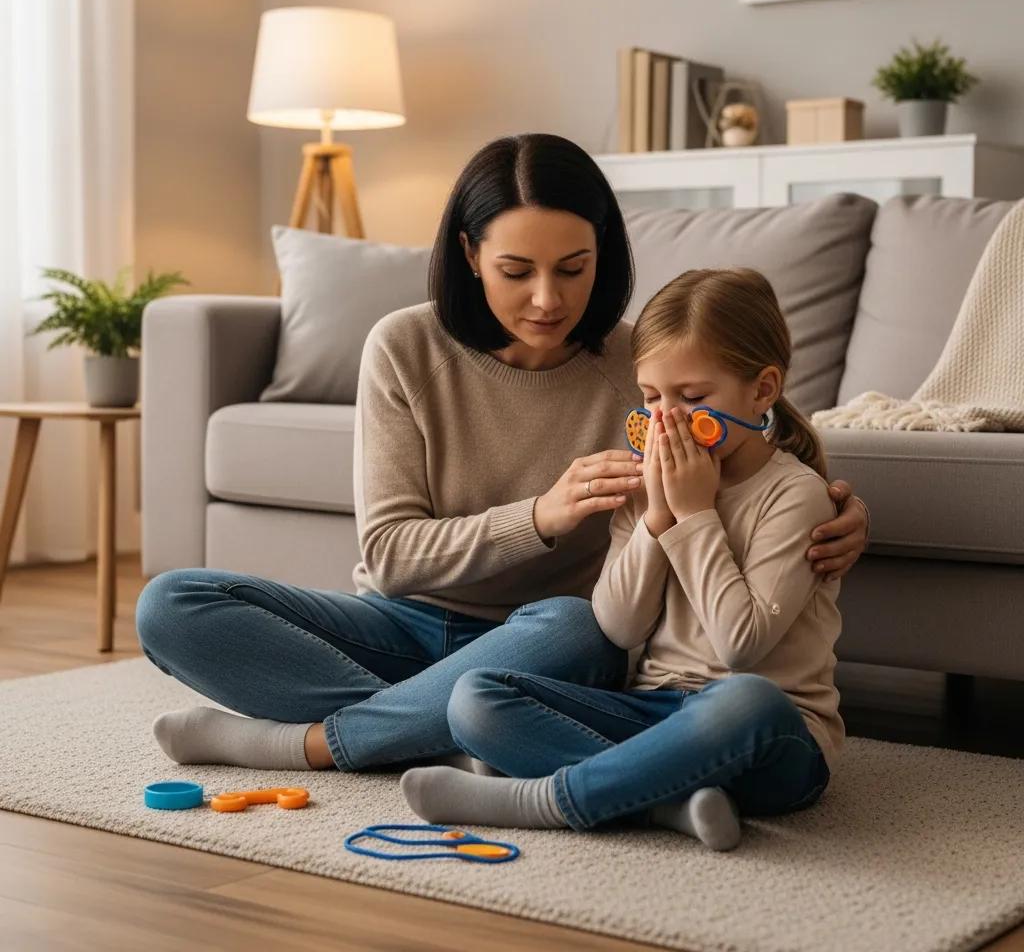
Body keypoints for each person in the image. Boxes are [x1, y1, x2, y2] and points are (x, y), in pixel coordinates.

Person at [134, 134, 869, 775]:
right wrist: (542, 516)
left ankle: (329, 743)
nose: (548, 299)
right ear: (470, 254)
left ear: (603, 255)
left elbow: (746, 426)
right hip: (404, 625)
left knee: (573, 624)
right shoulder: (403, 346)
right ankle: (440, 731)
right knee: (172, 605)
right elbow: (389, 555)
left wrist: (833, 500)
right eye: (517, 271)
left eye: (574, 269)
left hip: (552, 644)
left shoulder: (640, 364)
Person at [400, 267, 847, 853]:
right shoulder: (649, 484)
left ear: (762, 391)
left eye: (692, 398)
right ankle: (665, 802)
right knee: (475, 698)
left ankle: (544, 801)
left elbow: (741, 645)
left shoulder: (795, 494)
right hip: (656, 708)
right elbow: (618, 626)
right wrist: (656, 521)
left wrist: (694, 518)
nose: (666, 420)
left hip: (766, 734)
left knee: (746, 698)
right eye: (651, 398)